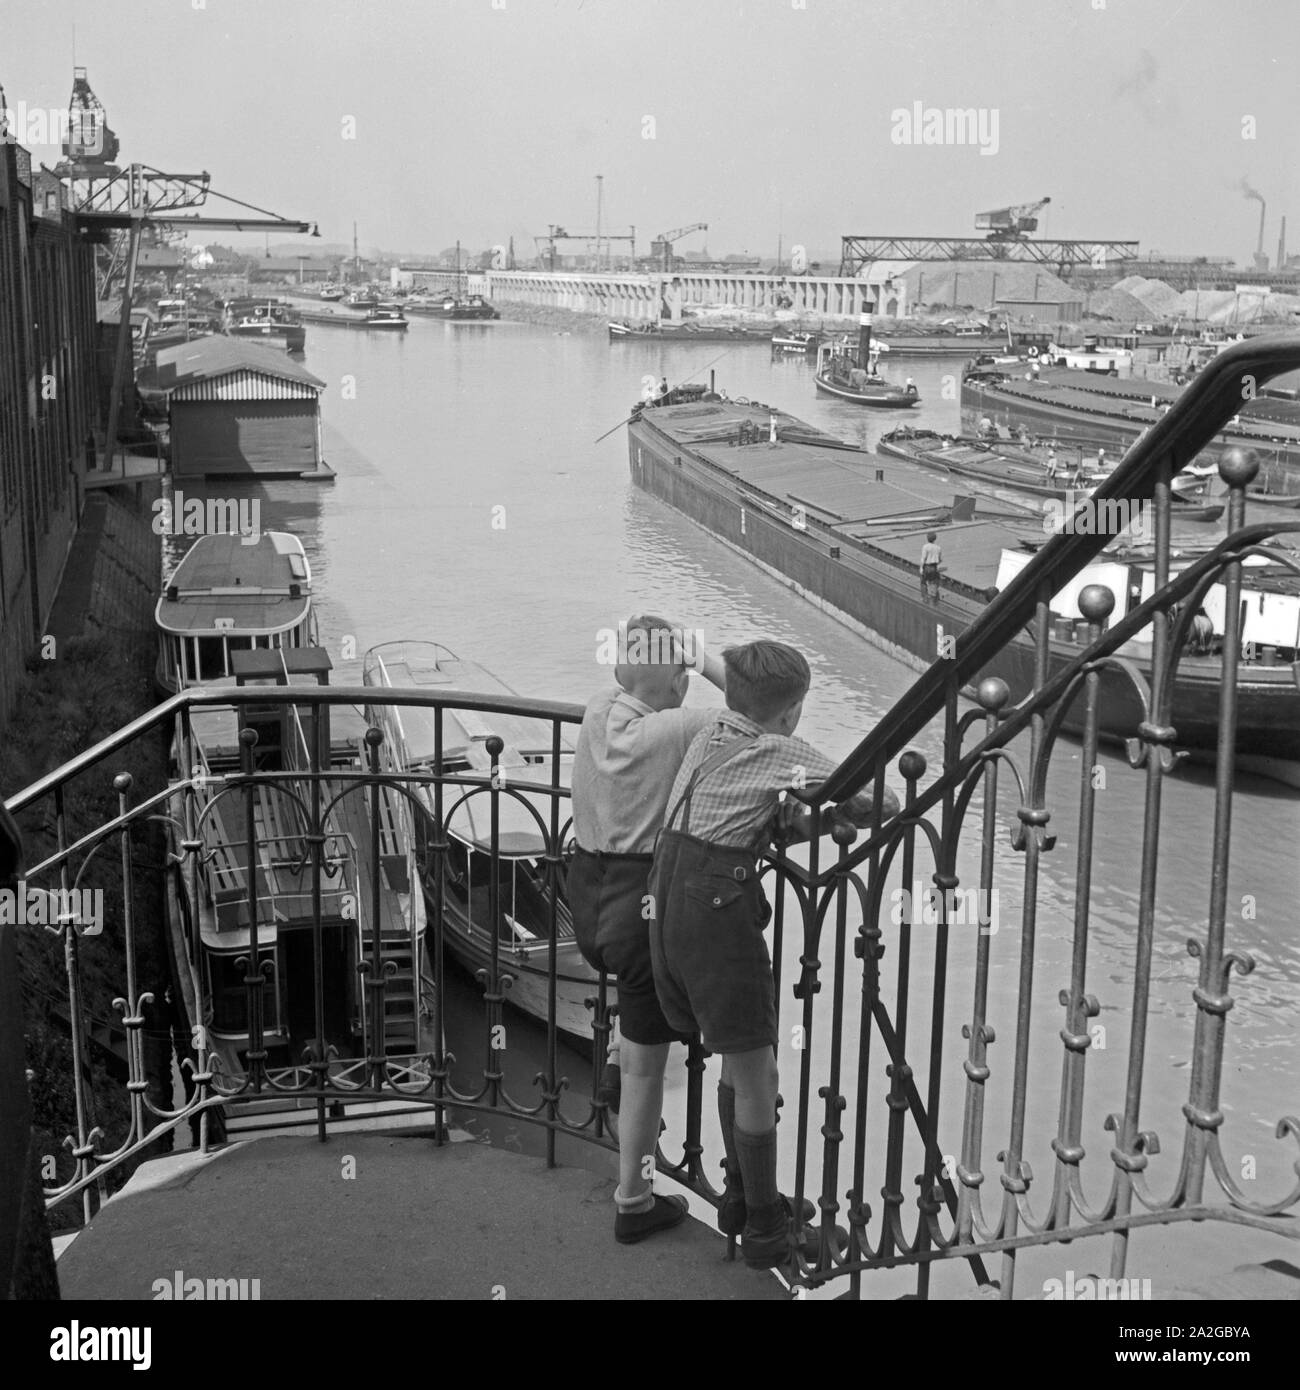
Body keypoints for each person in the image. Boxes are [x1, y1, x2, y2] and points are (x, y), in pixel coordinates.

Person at [647, 641, 899, 1268]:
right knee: (760, 1072)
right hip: (715, 913)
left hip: (667, 900)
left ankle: (740, 1195)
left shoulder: (710, 735)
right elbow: (882, 801)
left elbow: (752, 813)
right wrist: (842, 805)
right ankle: (765, 1228)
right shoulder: (777, 749)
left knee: (737, 1057)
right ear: (790, 713)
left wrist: (798, 817)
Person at [570, 614, 726, 1244]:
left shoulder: (597, 708)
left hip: (585, 898)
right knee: (648, 1067)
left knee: (633, 1004)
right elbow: (755, 709)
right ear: (677, 681)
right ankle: (633, 1200)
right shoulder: (678, 727)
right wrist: (703, 655)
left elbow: (632, 673)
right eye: (683, 672)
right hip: (641, 911)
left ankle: (612, 1058)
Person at [919, 530, 943, 604]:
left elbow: (923, 558)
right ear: (935, 539)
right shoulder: (938, 548)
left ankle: (924, 598)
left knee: (923, 582)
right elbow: (939, 560)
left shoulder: (925, 547)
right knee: (933, 582)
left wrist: (921, 568)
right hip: (934, 567)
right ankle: (934, 599)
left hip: (927, 567)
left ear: (927, 538)